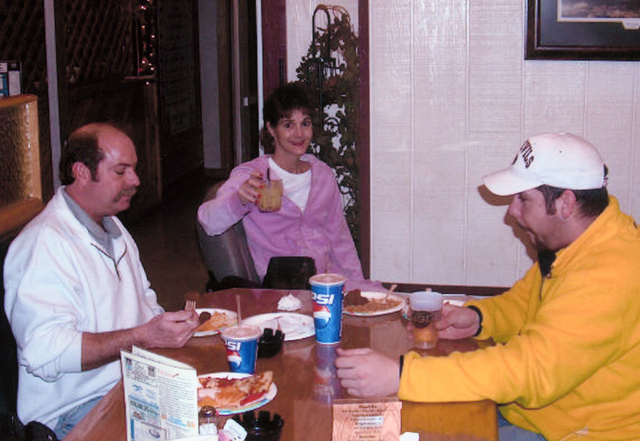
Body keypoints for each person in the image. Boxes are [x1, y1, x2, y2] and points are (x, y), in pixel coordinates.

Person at [335, 132, 640, 440]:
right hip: (527, 413)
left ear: (566, 203)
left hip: (568, 433)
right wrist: (478, 318)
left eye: (523, 198)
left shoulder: (611, 272)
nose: (512, 212)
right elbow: (524, 304)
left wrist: (402, 375)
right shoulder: (581, 242)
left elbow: (532, 370)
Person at [4, 123, 199, 439]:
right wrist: (144, 336)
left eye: (134, 169)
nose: (135, 181)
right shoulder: (43, 244)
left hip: (131, 384)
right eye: (121, 171)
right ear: (82, 172)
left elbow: (144, 300)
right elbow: (46, 352)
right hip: (74, 411)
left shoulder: (114, 227)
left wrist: (166, 329)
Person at [198, 82, 368, 287]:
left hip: (325, 283)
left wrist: (359, 286)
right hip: (281, 289)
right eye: (288, 125)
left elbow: (340, 240)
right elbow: (207, 222)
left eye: (305, 123)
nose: (299, 134)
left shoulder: (323, 175)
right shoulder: (252, 175)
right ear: (271, 129)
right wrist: (239, 200)